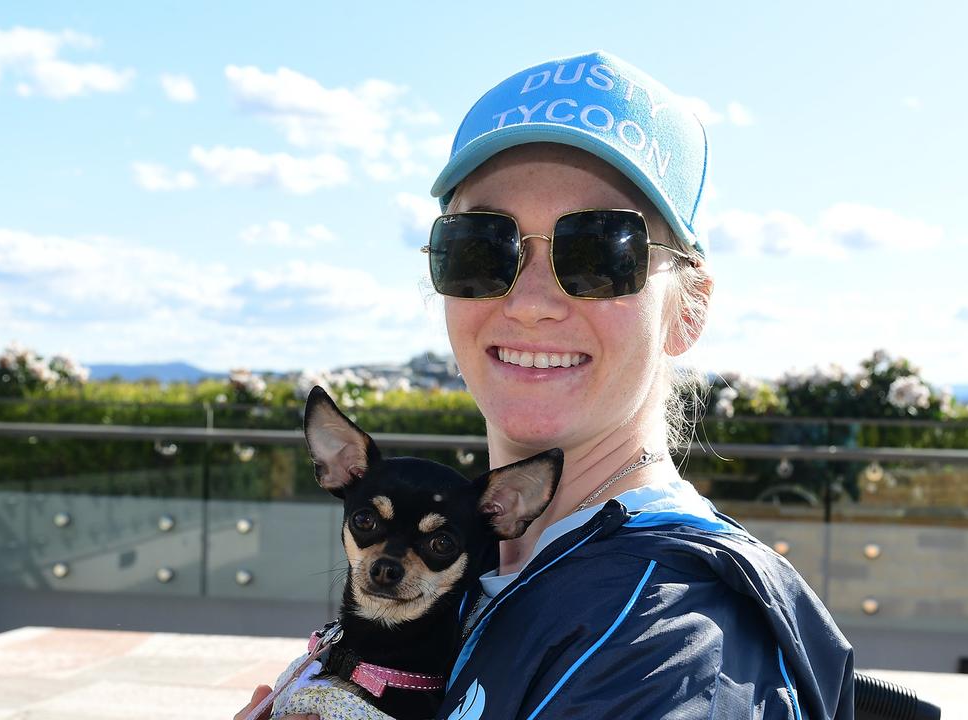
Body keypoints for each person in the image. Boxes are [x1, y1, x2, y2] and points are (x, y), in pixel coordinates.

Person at [237, 50, 854, 720]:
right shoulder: (487, 576)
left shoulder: (671, 644)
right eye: (481, 246)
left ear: (691, 307)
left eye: (599, 252)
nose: (531, 300)